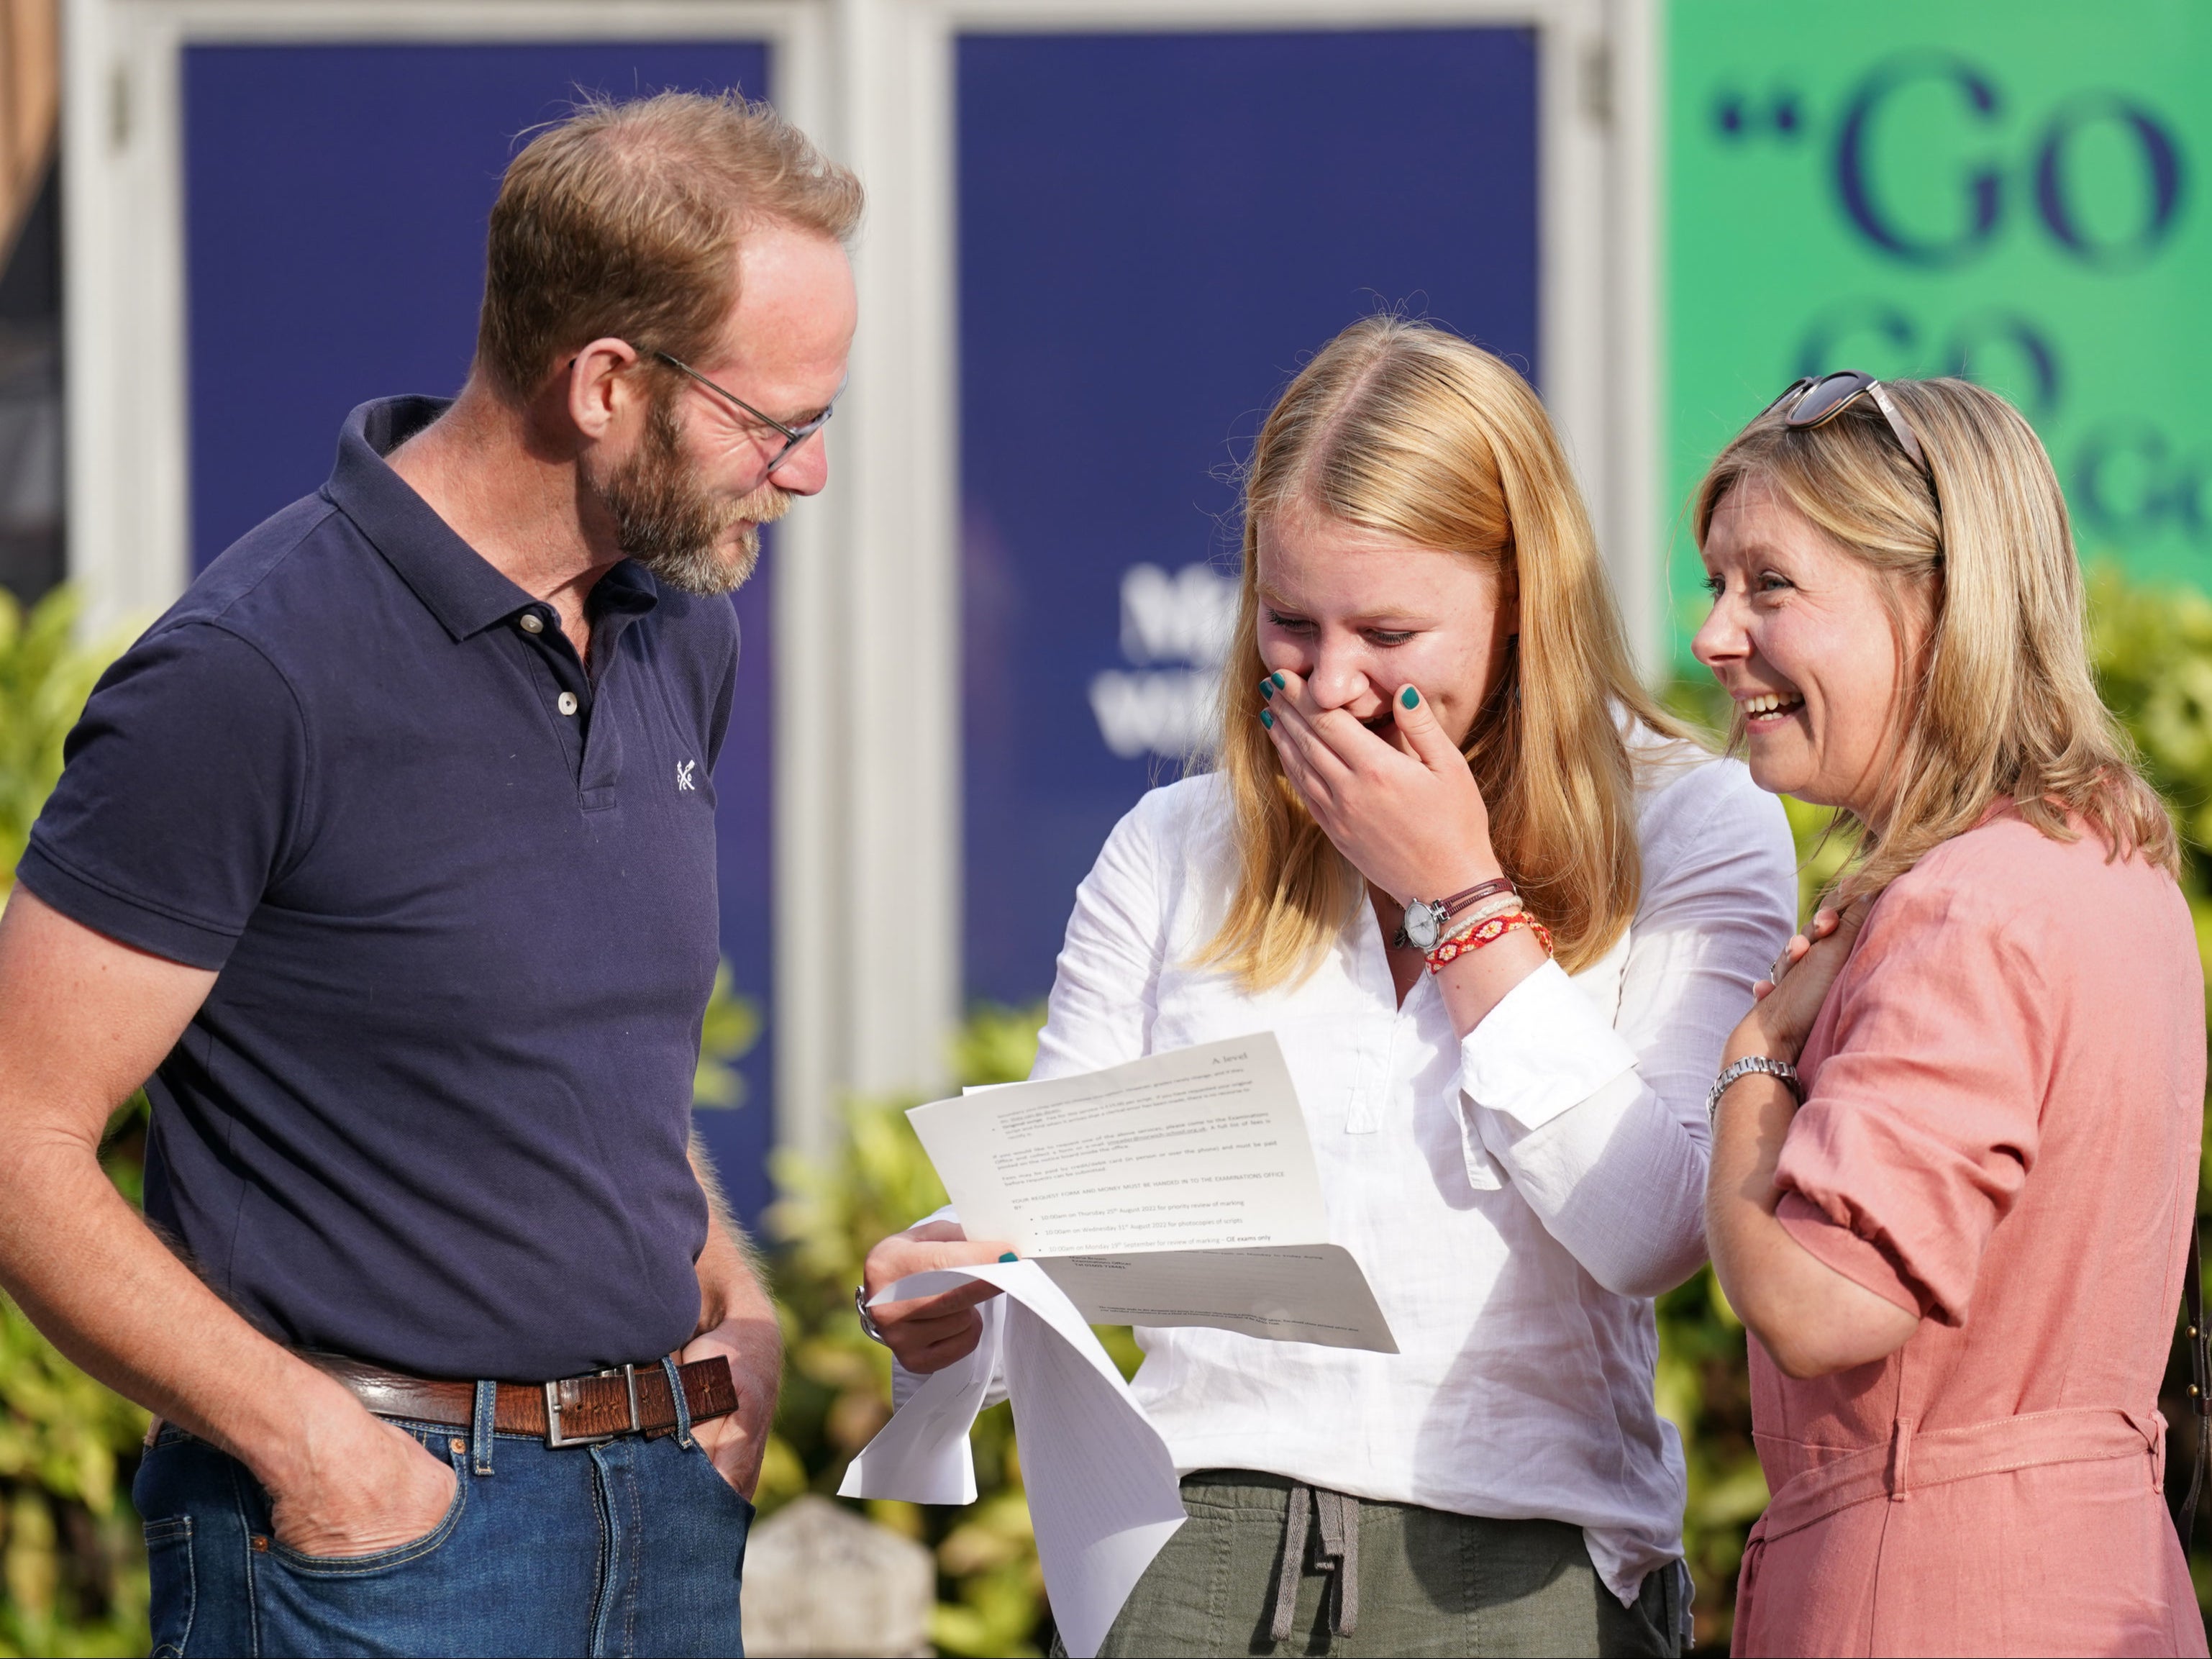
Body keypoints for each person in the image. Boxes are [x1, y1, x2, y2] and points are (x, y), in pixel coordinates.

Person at [0, 92, 859, 1657]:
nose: (803, 476)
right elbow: (16, 1138)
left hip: (662, 1513)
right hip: (379, 1553)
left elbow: (581, 1067)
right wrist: (315, 1452)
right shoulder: (247, 676)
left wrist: (732, 1308)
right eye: (778, 422)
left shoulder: (683, 628)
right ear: (606, 381)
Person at [864, 317, 1797, 1656]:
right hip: (1194, 1546)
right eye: (1291, 624)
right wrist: (947, 1303)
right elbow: (1051, 1229)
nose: (1334, 681)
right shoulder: (1178, 844)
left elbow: (1651, 1226)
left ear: (1522, 598)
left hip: (1518, 1566)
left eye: (1391, 630)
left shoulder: (1697, 825)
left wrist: (1468, 900)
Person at [1695, 372, 2208, 1657]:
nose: (1714, 633)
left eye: (1770, 584)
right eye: (1716, 584)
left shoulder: (1963, 905)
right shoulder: (2112, 864)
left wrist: (1752, 1060)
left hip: (1928, 1598)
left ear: (1937, 605)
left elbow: (1822, 1301)